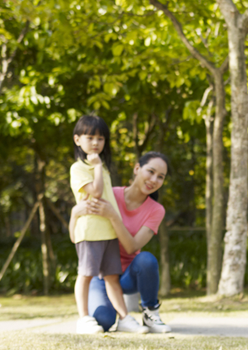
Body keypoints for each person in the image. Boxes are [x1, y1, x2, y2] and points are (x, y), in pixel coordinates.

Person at [70, 151, 172, 334]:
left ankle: (150, 313)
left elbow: (132, 247)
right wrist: (74, 213)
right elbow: (83, 228)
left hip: (127, 276)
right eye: (150, 171)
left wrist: (113, 216)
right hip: (102, 274)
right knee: (103, 321)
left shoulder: (156, 210)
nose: (154, 180)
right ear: (137, 168)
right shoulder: (111, 194)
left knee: (146, 260)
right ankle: (119, 316)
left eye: (160, 177)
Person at [69, 115, 148, 334]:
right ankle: (83, 318)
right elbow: (94, 191)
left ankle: (124, 318)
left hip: (108, 231)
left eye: (101, 138)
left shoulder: (101, 168)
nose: (96, 142)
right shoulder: (79, 168)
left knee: (112, 276)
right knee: (85, 274)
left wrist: (97, 167)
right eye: (90, 137)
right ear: (78, 140)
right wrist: (95, 167)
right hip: (89, 231)